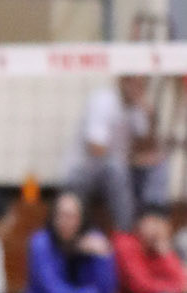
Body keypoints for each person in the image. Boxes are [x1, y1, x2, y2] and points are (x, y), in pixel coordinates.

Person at [66, 75, 166, 231]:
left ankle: (153, 216)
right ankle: (126, 231)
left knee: (159, 161)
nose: (139, 88)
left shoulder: (137, 108)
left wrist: (151, 119)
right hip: (85, 172)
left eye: (143, 84)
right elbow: (95, 148)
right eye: (135, 82)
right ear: (123, 81)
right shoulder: (103, 101)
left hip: (119, 171)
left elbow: (147, 148)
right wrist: (132, 159)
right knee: (116, 167)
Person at [18, 190, 116, 293]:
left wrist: (102, 257)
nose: (65, 222)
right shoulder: (41, 242)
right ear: (53, 217)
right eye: (61, 215)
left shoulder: (94, 241)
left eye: (71, 216)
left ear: (82, 218)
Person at [112, 206, 187, 293]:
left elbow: (182, 282)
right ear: (139, 223)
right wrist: (173, 288)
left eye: (160, 223)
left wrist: (166, 255)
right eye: (153, 222)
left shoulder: (162, 249)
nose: (156, 229)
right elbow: (139, 286)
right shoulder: (125, 243)